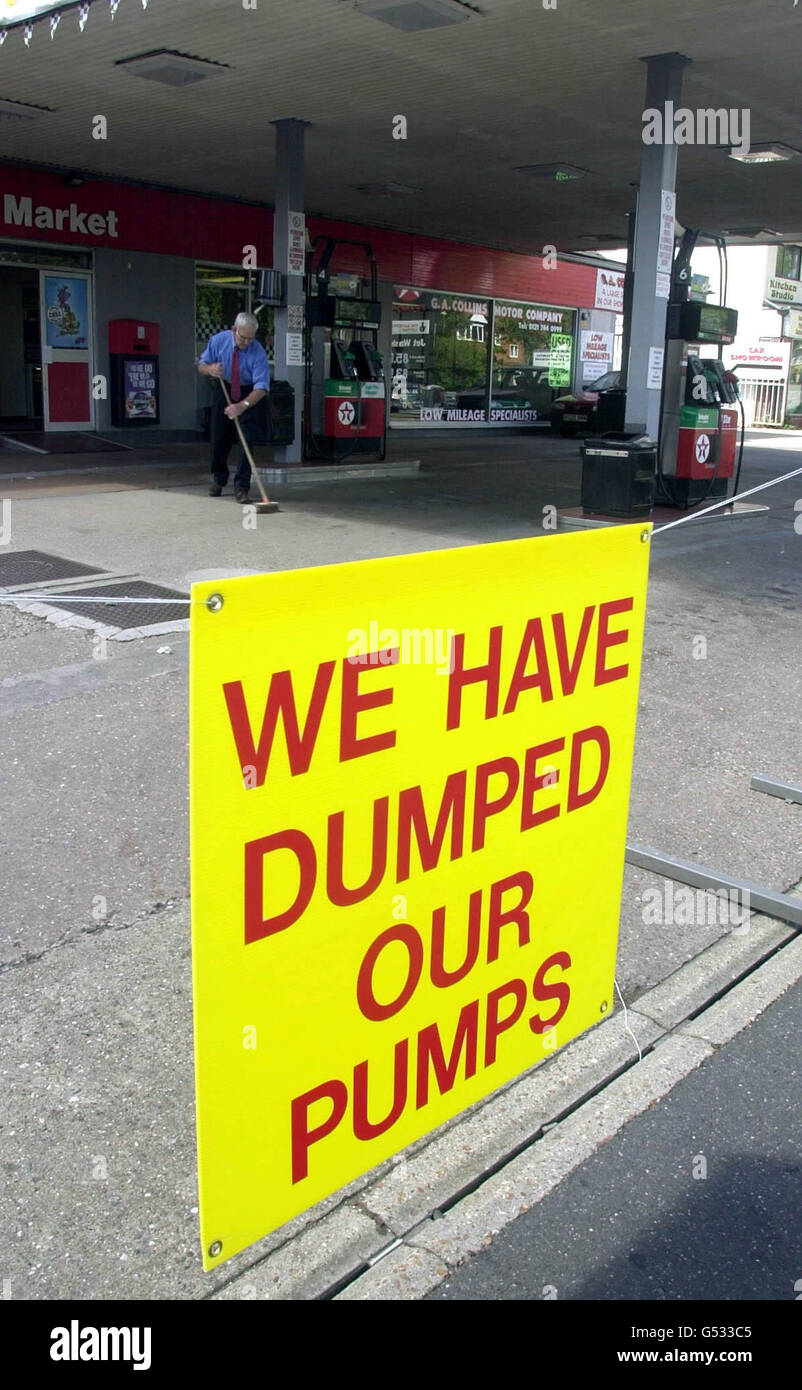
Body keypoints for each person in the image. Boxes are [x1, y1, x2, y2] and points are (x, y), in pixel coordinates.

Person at [197, 312, 270, 502]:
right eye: (243, 337)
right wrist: (210, 369)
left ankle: (242, 487)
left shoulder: (257, 351)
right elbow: (201, 364)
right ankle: (219, 479)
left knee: (247, 441)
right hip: (225, 387)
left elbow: (261, 387)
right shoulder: (218, 341)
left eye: (250, 338)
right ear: (234, 330)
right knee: (219, 438)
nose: (246, 342)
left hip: (248, 393)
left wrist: (242, 405)